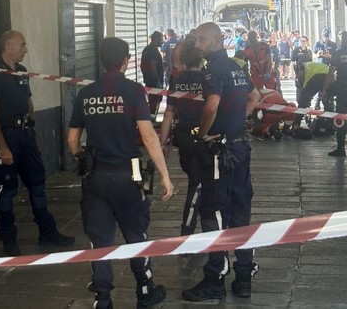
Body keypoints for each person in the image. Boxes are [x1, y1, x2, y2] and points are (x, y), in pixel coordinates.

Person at [67, 37, 174, 309]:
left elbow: (71, 140)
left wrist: (83, 159)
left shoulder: (86, 93)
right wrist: (164, 174)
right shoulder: (133, 91)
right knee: (135, 235)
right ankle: (145, 291)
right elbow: (148, 136)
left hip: (95, 178)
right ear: (126, 60)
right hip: (128, 175)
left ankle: (102, 299)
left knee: (100, 240)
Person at [182, 22, 260, 302]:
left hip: (219, 152)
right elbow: (255, 96)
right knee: (240, 212)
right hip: (239, 147)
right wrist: (238, 121)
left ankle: (215, 277)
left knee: (213, 211)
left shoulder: (213, 71)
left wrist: (202, 134)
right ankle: (243, 277)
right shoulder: (237, 68)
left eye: (201, 39)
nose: (196, 44)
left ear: (216, 41)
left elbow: (211, 106)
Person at [0, 30, 75, 257]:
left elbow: (28, 99)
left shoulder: (22, 72)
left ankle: (47, 232)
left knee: (37, 183)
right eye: (22, 45)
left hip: (26, 134)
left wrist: (30, 120)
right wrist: (3, 147)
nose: (26, 49)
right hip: (8, 136)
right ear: (9, 47)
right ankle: (8, 239)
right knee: (7, 189)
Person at [160, 35, 204, 236]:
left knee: (196, 180)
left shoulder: (177, 82)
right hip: (204, 137)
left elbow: (169, 113)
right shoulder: (208, 79)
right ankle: (188, 230)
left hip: (184, 137)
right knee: (198, 184)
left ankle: (193, 226)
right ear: (201, 59)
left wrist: (163, 142)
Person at [292, 61, 333, 128]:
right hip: (329, 76)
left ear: (300, 70)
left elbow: (303, 86)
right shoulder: (310, 65)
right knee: (327, 100)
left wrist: (305, 97)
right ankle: (330, 123)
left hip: (318, 77)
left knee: (303, 100)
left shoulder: (307, 70)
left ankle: (297, 122)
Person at [140, 31, 164, 119]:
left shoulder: (147, 49)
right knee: (155, 100)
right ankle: (152, 117)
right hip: (154, 81)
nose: (163, 41)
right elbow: (153, 67)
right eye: (161, 39)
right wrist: (158, 82)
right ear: (156, 39)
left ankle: (152, 116)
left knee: (153, 100)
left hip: (149, 80)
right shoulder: (153, 50)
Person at [291, 36, 313, 102]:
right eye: (301, 41)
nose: (302, 42)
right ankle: (300, 102)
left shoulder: (309, 51)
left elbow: (311, 62)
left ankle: (307, 102)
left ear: (307, 42)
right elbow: (292, 62)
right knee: (299, 87)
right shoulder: (296, 50)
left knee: (307, 87)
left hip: (307, 72)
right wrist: (293, 73)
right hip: (299, 71)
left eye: (304, 41)